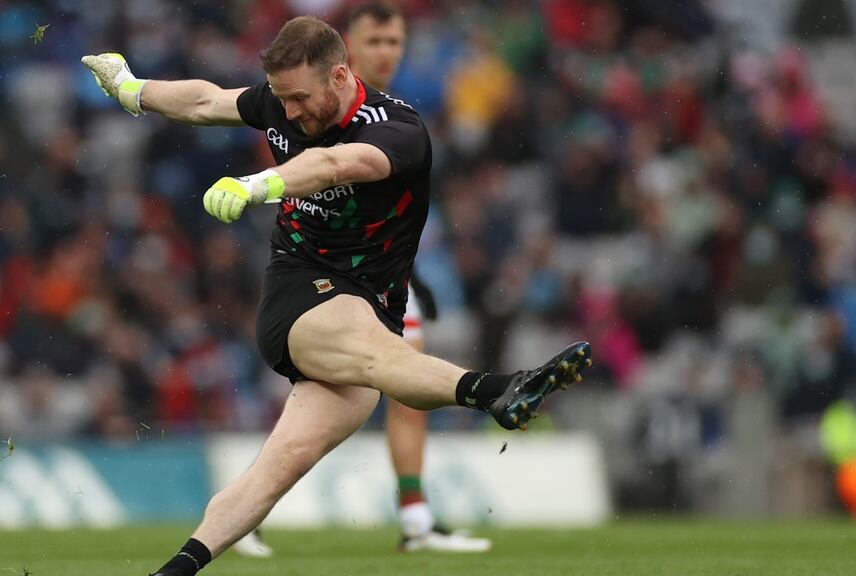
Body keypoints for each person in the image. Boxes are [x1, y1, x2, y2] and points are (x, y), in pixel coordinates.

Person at [82, 15, 590, 576]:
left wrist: (257, 185)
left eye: (299, 98)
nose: (289, 111)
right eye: (281, 98)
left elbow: (334, 165)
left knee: (280, 466)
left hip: (371, 305)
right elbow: (206, 102)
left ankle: (174, 570)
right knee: (381, 356)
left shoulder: (397, 129)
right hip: (301, 290)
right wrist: (131, 89)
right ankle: (497, 390)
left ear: (340, 76)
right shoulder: (284, 102)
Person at [233, 3, 490, 556]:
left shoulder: (397, 115)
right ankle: (410, 517)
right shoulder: (312, 101)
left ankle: (411, 517)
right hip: (318, 270)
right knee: (383, 377)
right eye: (374, 42)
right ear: (346, 53)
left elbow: (394, 207)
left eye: (395, 42)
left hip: (378, 272)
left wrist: (413, 274)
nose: (386, 53)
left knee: (388, 381)